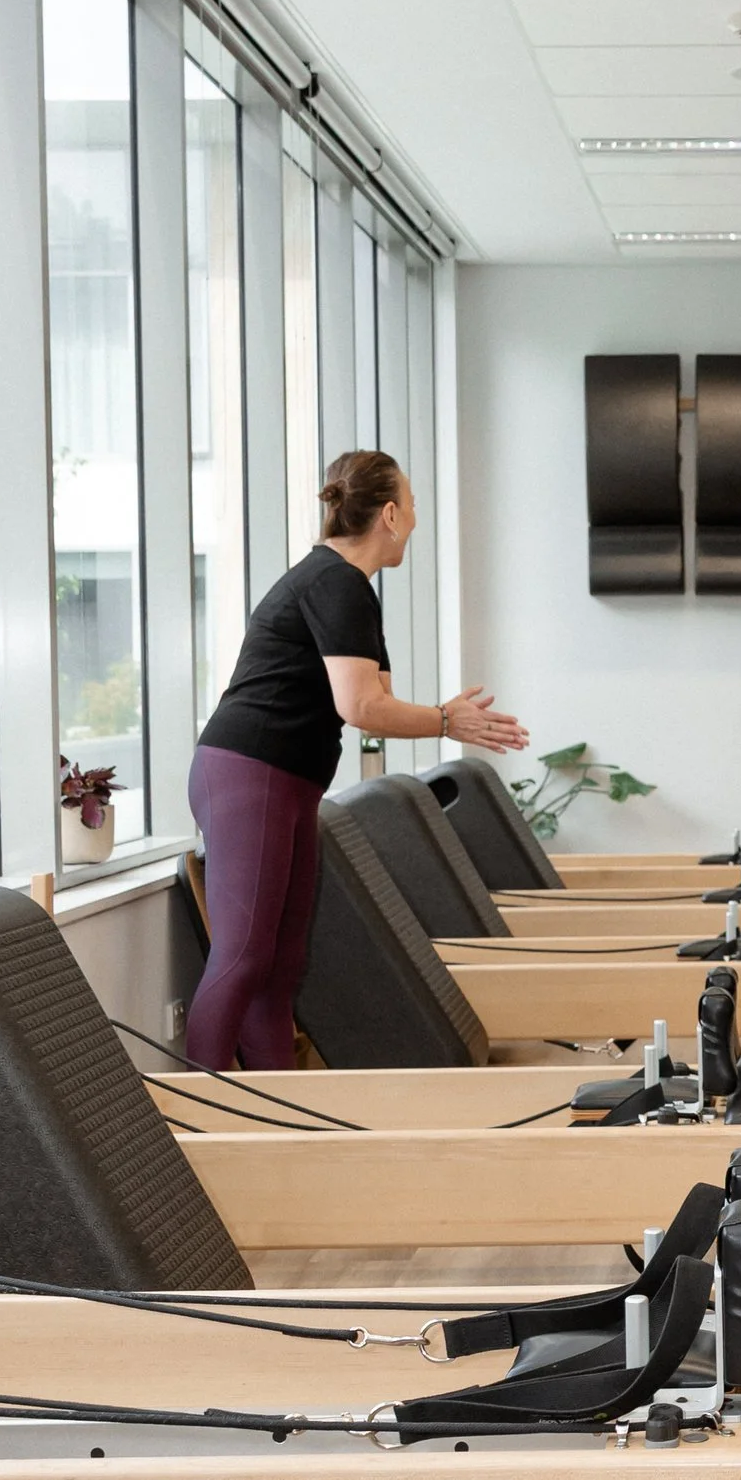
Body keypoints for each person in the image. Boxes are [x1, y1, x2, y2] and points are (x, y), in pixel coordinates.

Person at [186, 449, 525, 1069]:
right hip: (249, 771)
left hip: (285, 781)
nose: (417, 520)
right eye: (414, 506)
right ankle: (197, 1117)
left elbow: (382, 703)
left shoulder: (351, 591)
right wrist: (449, 720)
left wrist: (444, 717)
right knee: (243, 956)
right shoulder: (333, 582)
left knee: (281, 965)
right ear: (390, 514)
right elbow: (361, 706)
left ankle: (276, 1111)